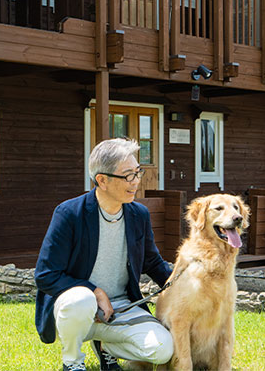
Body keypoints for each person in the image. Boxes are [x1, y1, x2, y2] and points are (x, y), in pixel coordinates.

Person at [35, 138, 174, 371]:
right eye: (128, 175)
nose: (136, 181)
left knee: (162, 349)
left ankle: (105, 347)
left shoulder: (139, 214)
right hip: (76, 310)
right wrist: (95, 291)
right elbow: (45, 275)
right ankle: (72, 362)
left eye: (137, 172)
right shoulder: (69, 213)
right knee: (82, 299)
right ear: (102, 180)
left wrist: (181, 284)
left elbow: (152, 262)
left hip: (121, 308)